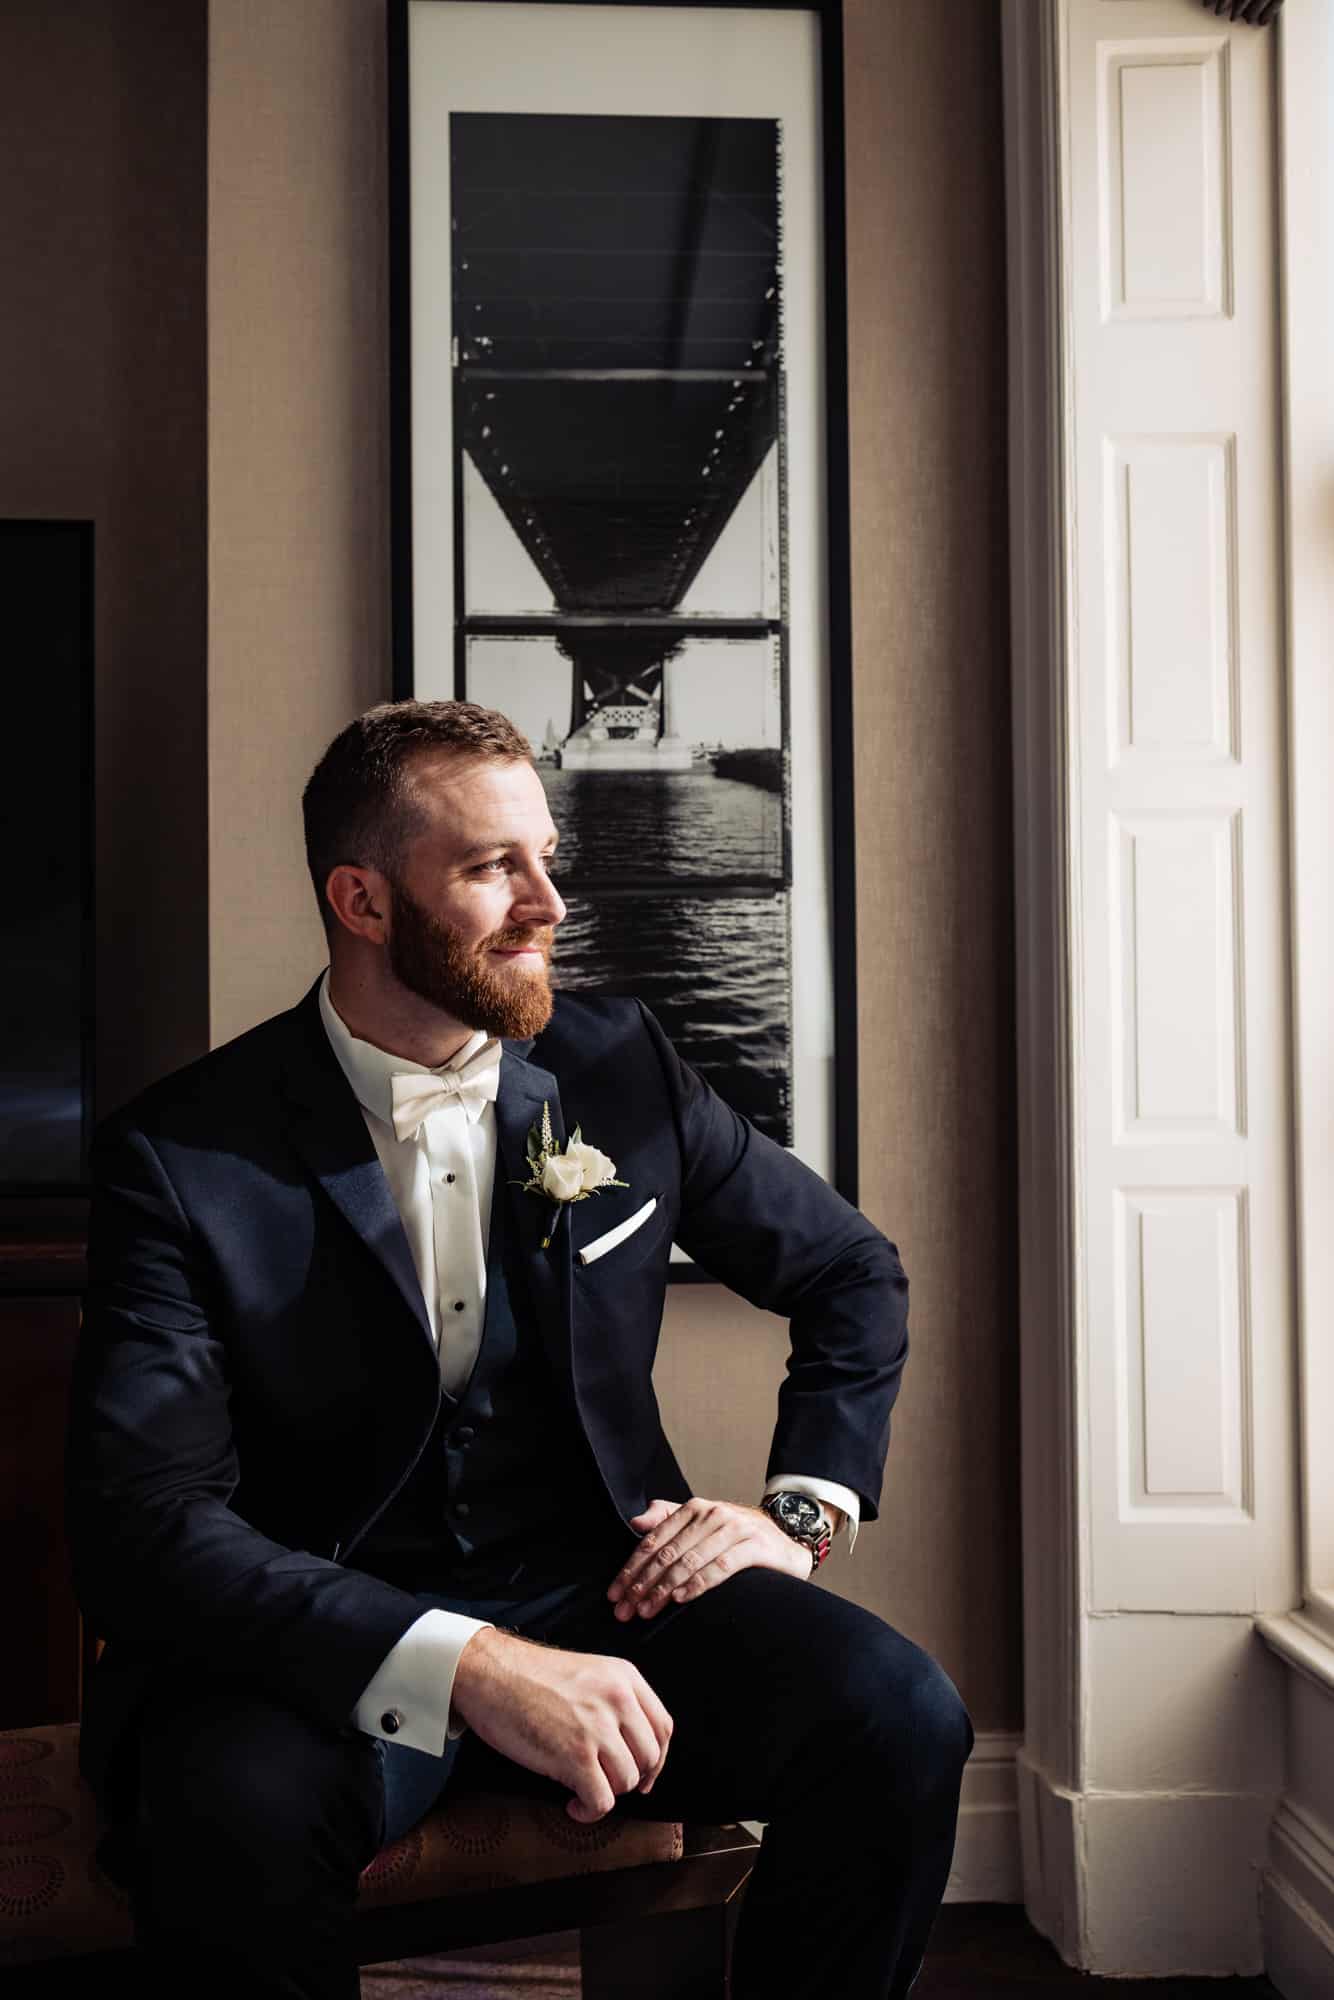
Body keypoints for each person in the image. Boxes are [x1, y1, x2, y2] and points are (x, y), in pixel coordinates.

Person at [67, 699, 972, 2000]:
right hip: (315, 1637)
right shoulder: (182, 1155)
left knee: (896, 1716)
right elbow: (142, 1524)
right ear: (362, 901)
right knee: (225, 1820)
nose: (549, 902)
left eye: (546, 857)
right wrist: (470, 1665)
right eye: (496, 867)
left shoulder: (621, 1072)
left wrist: (799, 1512)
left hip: (605, 1597)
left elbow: (848, 1270)